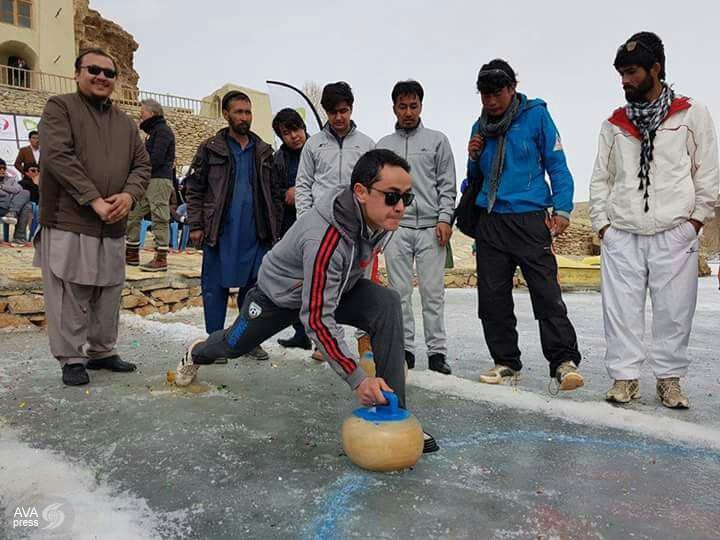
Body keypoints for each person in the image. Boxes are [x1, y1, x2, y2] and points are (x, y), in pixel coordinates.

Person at [175, 149, 438, 453]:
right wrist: (358, 379)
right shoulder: (324, 237)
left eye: (408, 197)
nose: (401, 207)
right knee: (232, 345)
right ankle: (197, 351)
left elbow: (358, 266)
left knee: (386, 303)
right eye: (392, 197)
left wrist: (370, 327)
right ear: (361, 192)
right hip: (278, 298)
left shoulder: (381, 220)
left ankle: (396, 413)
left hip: (333, 288)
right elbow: (316, 318)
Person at [589, 32, 719, 408]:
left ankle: (669, 381)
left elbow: (706, 172)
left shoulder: (691, 113)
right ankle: (624, 379)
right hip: (623, 234)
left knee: (675, 311)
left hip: (674, 233)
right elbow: (601, 179)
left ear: (655, 69)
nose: (624, 81)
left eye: (631, 72)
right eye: (621, 74)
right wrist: (603, 227)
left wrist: (694, 222)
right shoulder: (614, 123)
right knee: (620, 311)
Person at [36, 48, 151, 386]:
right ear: (77, 73)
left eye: (109, 73)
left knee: (109, 291)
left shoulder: (125, 124)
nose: (102, 77)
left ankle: (102, 351)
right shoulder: (60, 108)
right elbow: (58, 156)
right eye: (94, 70)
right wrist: (94, 200)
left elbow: (142, 165)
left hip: (112, 224)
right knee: (70, 292)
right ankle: (71, 358)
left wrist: (129, 194)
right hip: (69, 219)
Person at [467, 59, 584, 391]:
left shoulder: (536, 116)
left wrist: (562, 208)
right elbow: (475, 179)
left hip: (531, 218)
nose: (491, 101)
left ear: (512, 88)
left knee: (546, 293)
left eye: (497, 93)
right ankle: (506, 362)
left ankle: (562, 361)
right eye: (484, 95)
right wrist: (473, 157)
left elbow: (556, 164)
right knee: (492, 297)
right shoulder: (479, 126)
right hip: (491, 221)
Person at [185, 90, 283, 362]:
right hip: (220, 232)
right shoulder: (210, 148)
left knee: (255, 290)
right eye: (238, 112)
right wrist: (195, 224)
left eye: (248, 112)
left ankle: (247, 340)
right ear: (226, 114)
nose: (244, 117)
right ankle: (216, 343)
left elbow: (274, 193)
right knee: (214, 288)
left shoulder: (263, 151)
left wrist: (274, 229)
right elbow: (193, 188)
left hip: (255, 233)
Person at [377, 80, 455, 374]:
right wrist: (383, 228)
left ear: (421, 106)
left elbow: (447, 184)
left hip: (431, 230)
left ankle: (437, 353)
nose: (408, 112)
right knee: (399, 294)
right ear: (394, 107)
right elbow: (378, 190)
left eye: (414, 106)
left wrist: (445, 218)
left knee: (432, 293)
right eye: (402, 106)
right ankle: (404, 351)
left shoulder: (437, 141)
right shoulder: (384, 146)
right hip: (396, 229)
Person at [296, 82, 376, 359]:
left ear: (351, 109)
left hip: (357, 230)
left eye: (343, 111)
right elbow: (304, 185)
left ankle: (364, 341)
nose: (339, 117)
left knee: (360, 286)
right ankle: (325, 341)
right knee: (323, 288)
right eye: (333, 112)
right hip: (323, 229)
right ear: (326, 112)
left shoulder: (366, 144)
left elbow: (374, 186)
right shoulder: (313, 144)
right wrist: (307, 223)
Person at [271, 108, 312, 350]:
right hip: (291, 227)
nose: (294, 136)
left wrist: (303, 191)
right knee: (294, 282)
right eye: (286, 133)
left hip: (318, 226)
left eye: (296, 129)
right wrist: (285, 193)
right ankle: (301, 333)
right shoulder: (279, 160)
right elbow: (273, 191)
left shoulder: (318, 149)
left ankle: (322, 338)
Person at [125, 99, 177, 271]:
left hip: (159, 180)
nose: (140, 115)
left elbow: (156, 158)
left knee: (159, 217)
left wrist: (139, 167)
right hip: (147, 179)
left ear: (152, 113)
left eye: (143, 112)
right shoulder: (153, 131)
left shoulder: (162, 131)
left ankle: (161, 258)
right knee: (133, 213)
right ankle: (131, 253)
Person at [0, 158, 32, 245]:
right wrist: (10, 192)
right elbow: (12, 192)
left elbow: (18, 189)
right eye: (0, 168)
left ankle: (12, 213)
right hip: (1, 206)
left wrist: (2, 187)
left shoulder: (10, 179)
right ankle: (20, 237)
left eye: (4, 168)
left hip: (11, 205)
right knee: (27, 205)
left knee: (26, 193)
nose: (2, 170)